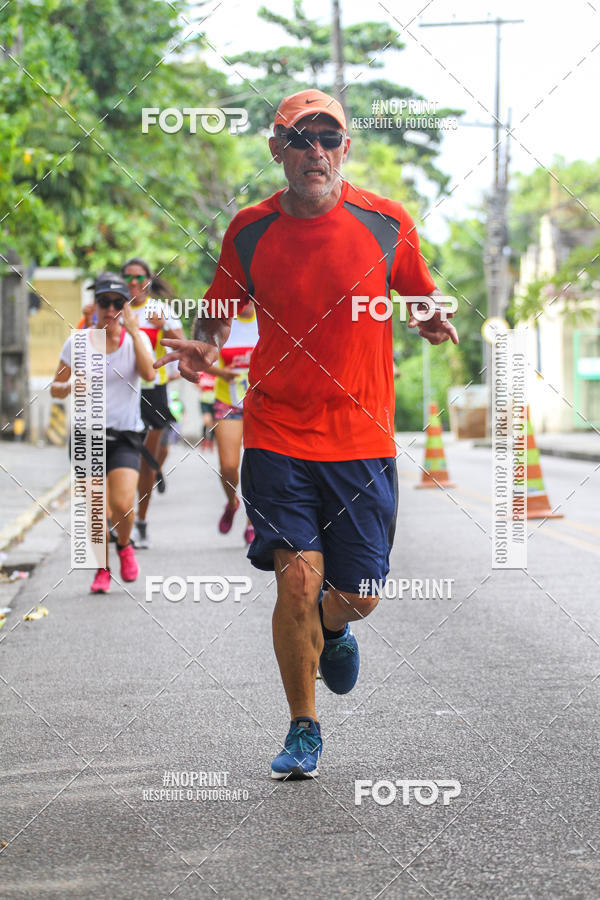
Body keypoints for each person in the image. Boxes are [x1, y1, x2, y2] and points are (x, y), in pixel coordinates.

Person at [156, 89, 458, 780]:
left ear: (346, 148)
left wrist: (430, 318)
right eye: (299, 138)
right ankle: (303, 727)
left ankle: (336, 625)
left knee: (359, 592)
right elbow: (217, 314)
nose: (314, 151)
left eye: (328, 138)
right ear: (277, 150)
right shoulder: (250, 231)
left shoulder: (386, 223)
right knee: (296, 580)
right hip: (277, 429)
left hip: (363, 438)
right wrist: (205, 346)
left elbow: (417, 295)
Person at [51, 272, 155, 593]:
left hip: (124, 436)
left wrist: (136, 333)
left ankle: (124, 545)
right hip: (87, 437)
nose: (110, 309)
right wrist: (70, 385)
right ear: (95, 305)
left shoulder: (136, 341)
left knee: (123, 505)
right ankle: (102, 568)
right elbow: (55, 389)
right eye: (104, 302)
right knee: (97, 510)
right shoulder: (78, 342)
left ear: (126, 307)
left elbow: (149, 374)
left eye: (117, 303)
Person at [120, 258, 184, 548]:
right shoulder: (114, 309)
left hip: (153, 391)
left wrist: (165, 329)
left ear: (148, 279)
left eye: (139, 277)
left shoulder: (160, 310)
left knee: (147, 460)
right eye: (128, 277)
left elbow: (183, 348)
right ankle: (123, 516)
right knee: (124, 459)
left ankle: (141, 522)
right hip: (122, 391)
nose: (134, 282)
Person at [201, 300, 258, 543]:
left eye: (249, 295)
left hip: (263, 403)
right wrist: (223, 373)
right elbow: (203, 359)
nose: (244, 301)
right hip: (229, 400)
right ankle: (232, 501)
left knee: (258, 467)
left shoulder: (268, 321)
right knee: (228, 465)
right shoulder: (223, 324)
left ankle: (253, 521)